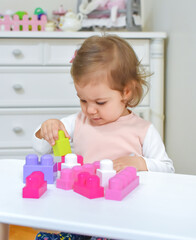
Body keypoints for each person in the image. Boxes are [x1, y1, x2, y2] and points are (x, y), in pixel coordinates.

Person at [33, 35, 174, 240]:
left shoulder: (143, 130)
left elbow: (168, 169)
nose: (90, 110)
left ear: (125, 92)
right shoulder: (77, 122)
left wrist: (140, 163)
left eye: (100, 102)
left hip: (124, 218)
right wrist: (47, 129)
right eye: (83, 100)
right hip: (80, 214)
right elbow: (39, 148)